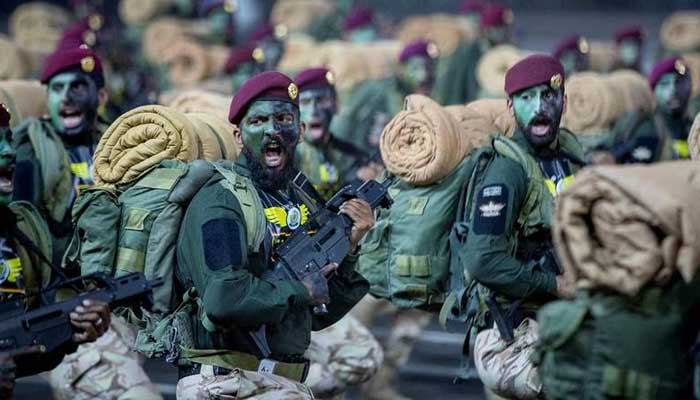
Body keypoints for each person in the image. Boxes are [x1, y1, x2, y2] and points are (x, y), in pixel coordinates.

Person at [174, 71, 373, 399]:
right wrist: (299, 290)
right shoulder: (222, 199)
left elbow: (316, 316)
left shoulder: (300, 197)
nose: (272, 130)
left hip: (277, 380)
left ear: (301, 130)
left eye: (283, 118)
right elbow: (223, 298)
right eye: (259, 120)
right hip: (227, 381)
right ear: (238, 137)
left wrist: (349, 247)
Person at [462, 54, 584, 397]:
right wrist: (554, 283)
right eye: (527, 98)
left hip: (557, 321)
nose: (540, 107)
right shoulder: (508, 171)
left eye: (548, 96)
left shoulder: (568, 160)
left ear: (564, 101)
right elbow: (482, 260)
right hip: (511, 332)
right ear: (511, 106)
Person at [0, 104, 111, 399]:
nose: (8, 151)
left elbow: (21, 347)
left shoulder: (19, 233)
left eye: (8, 139)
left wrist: (69, 335)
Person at [12, 44, 108, 264]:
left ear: (101, 97)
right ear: (47, 99)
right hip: (58, 277)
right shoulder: (31, 148)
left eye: (77, 87)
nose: (65, 97)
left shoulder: (120, 141)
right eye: (57, 89)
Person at [331, 40, 438, 154]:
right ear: (402, 69)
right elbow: (355, 128)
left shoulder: (422, 96)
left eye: (429, 67)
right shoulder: (384, 92)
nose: (424, 75)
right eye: (416, 68)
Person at [294, 67, 373, 198]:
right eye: (305, 102)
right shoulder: (287, 159)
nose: (314, 110)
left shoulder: (353, 156)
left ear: (336, 105)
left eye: (321, 100)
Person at [609, 56, 692, 163]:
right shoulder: (647, 127)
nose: (673, 91)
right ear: (653, 91)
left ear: (689, 86)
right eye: (664, 84)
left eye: (679, 83)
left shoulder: (690, 126)